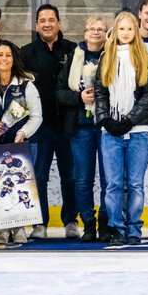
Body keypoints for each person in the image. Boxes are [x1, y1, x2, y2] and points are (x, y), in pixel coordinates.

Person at [94, 11, 148, 246]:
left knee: (135, 184)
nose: (126, 33)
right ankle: (117, 228)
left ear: (136, 31)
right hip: (110, 132)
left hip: (138, 130)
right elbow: (100, 92)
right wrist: (106, 120)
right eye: (122, 29)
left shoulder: (144, 58)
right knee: (113, 184)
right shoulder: (106, 58)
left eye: (130, 28)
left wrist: (130, 120)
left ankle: (134, 230)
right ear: (115, 32)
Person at [21, 4, 78, 239]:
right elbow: (19, 92)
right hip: (39, 127)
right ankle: (39, 223)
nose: (47, 24)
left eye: (51, 19)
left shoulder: (73, 50)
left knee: (70, 176)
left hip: (68, 124)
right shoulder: (25, 53)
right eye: (42, 20)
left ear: (59, 23)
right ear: (36, 25)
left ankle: (71, 221)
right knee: (39, 176)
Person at [0, 39, 42, 244]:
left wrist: (23, 133)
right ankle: (3, 229)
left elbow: (37, 116)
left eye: (8, 55)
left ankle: (19, 227)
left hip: (20, 145)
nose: (4, 59)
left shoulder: (26, 85)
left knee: (20, 185)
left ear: (14, 59)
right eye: (0, 55)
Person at [58, 14, 108, 242]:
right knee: (82, 178)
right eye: (91, 28)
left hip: (107, 127)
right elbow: (59, 92)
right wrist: (79, 97)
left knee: (110, 179)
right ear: (84, 33)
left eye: (101, 28)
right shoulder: (72, 58)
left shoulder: (113, 56)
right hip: (80, 127)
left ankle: (106, 222)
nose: (96, 32)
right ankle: (88, 222)